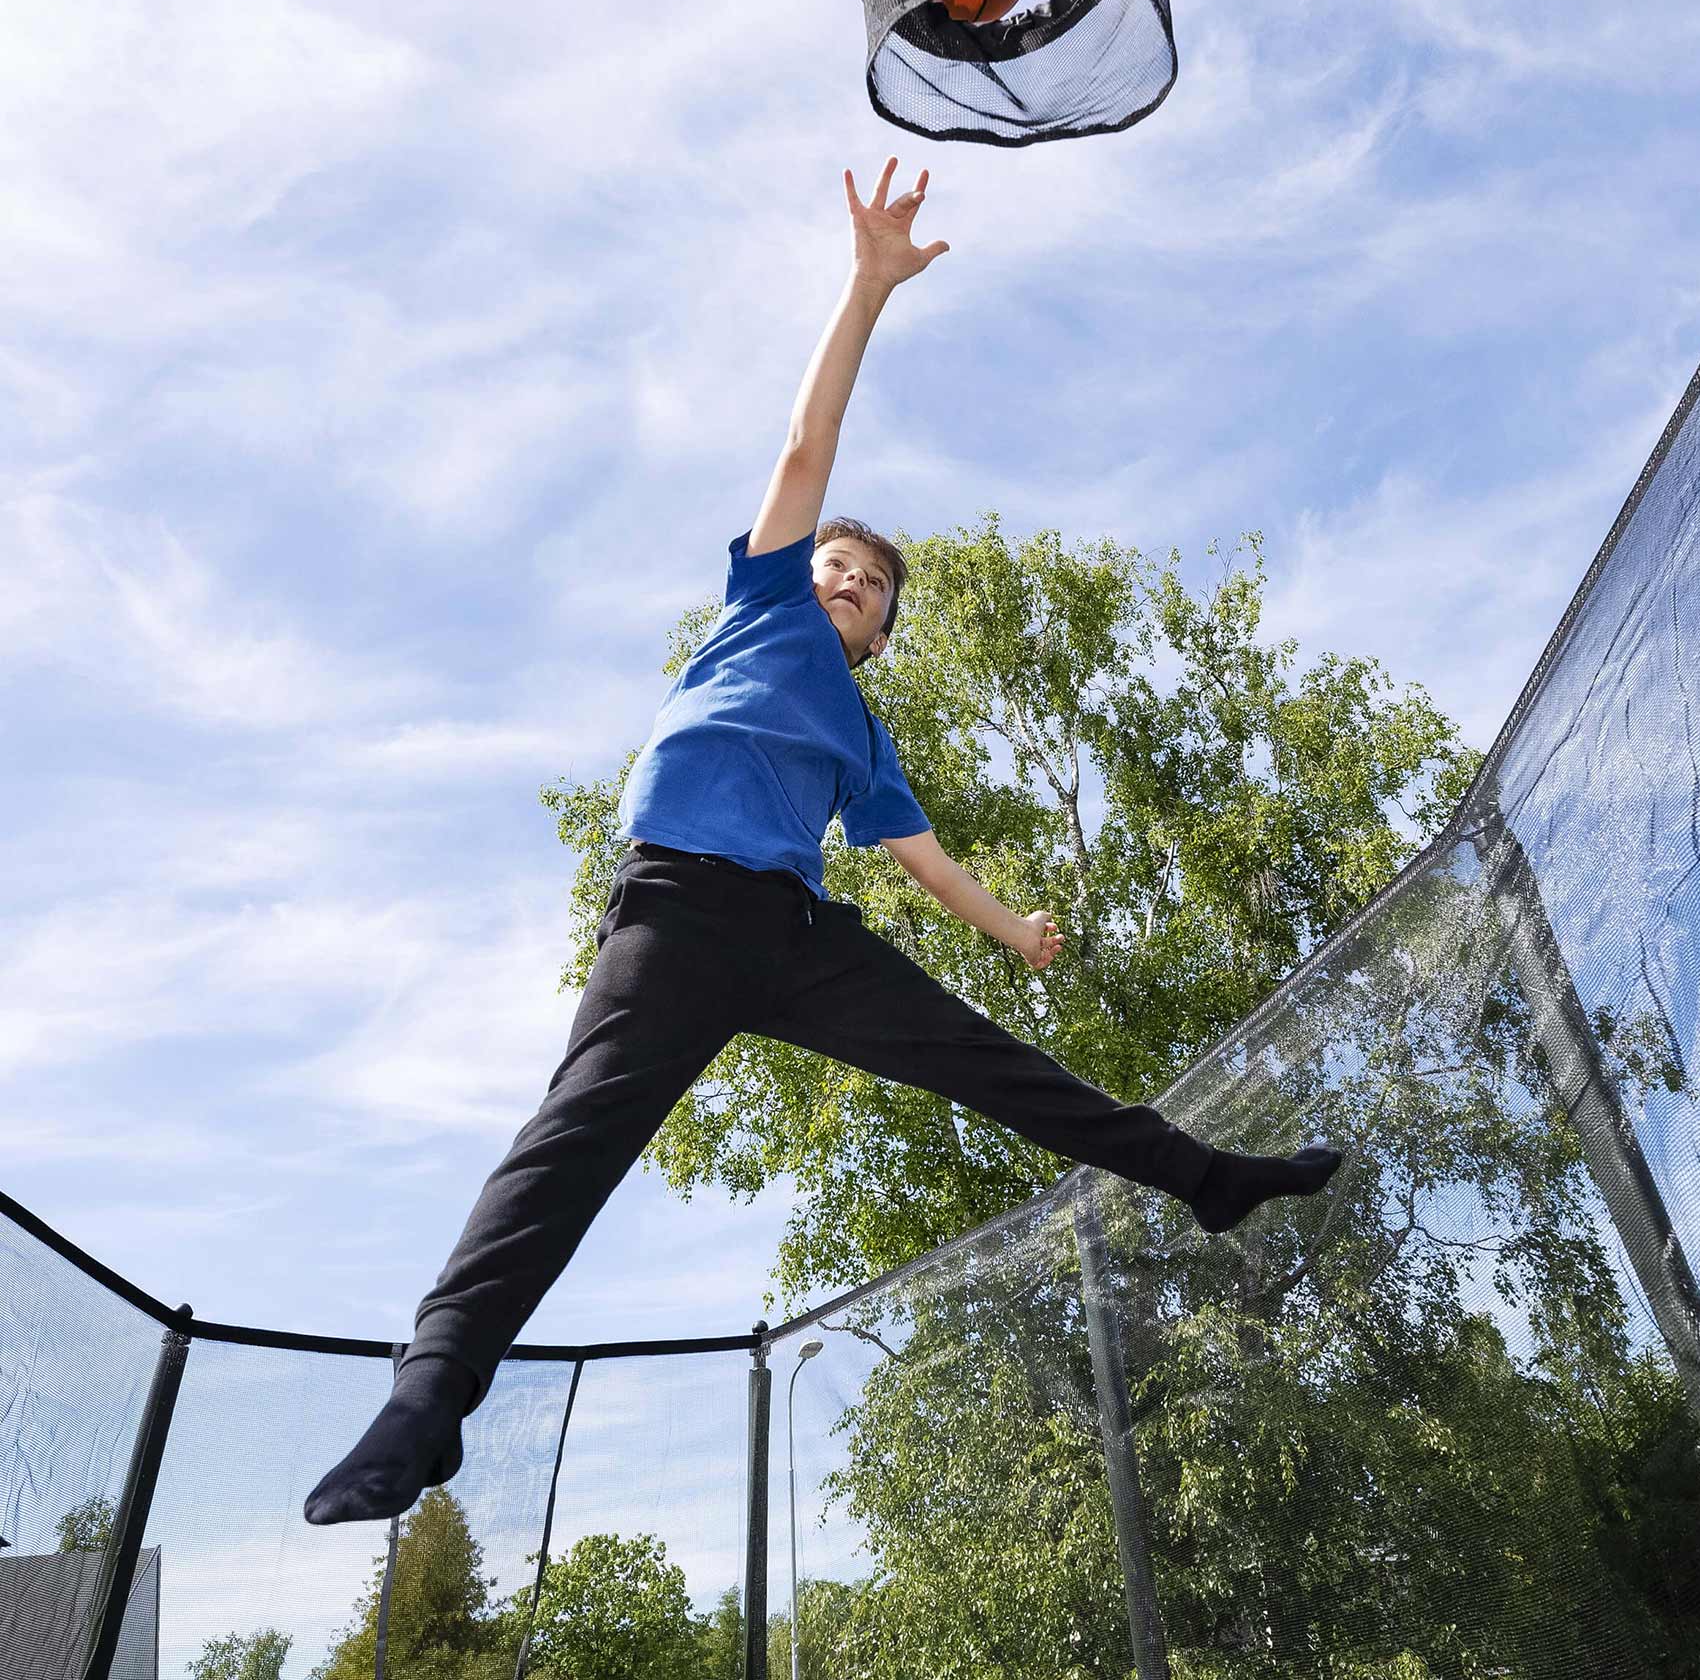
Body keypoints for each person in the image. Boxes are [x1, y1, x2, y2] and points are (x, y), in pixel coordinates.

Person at [304, 160, 1342, 1526]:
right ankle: (425, 1399)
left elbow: (919, 856)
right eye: (834, 568)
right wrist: (865, 288)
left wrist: (1013, 931)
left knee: (1001, 1069)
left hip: (793, 942)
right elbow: (807, 453)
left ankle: (1205, 1182)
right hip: (671, 920)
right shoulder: (760, 611)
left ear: (881, 632)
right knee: (567, 1146)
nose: (846, 584)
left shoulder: (860, 731)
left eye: (870, 588)